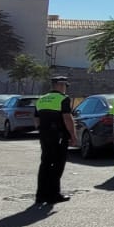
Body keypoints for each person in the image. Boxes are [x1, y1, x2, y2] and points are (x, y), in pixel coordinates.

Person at [34, 76, 77, 206]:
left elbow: (36, 119)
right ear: (59, 85)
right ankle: (53, 195)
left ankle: (40, 195)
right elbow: (67, 118)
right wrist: (73, 136)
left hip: (45, 135)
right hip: (58, 135)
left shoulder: (41, 99)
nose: (65, 88)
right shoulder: (63, 99)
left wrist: (42, 131)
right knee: (58, 164)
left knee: (45, 163)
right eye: (65, 85)